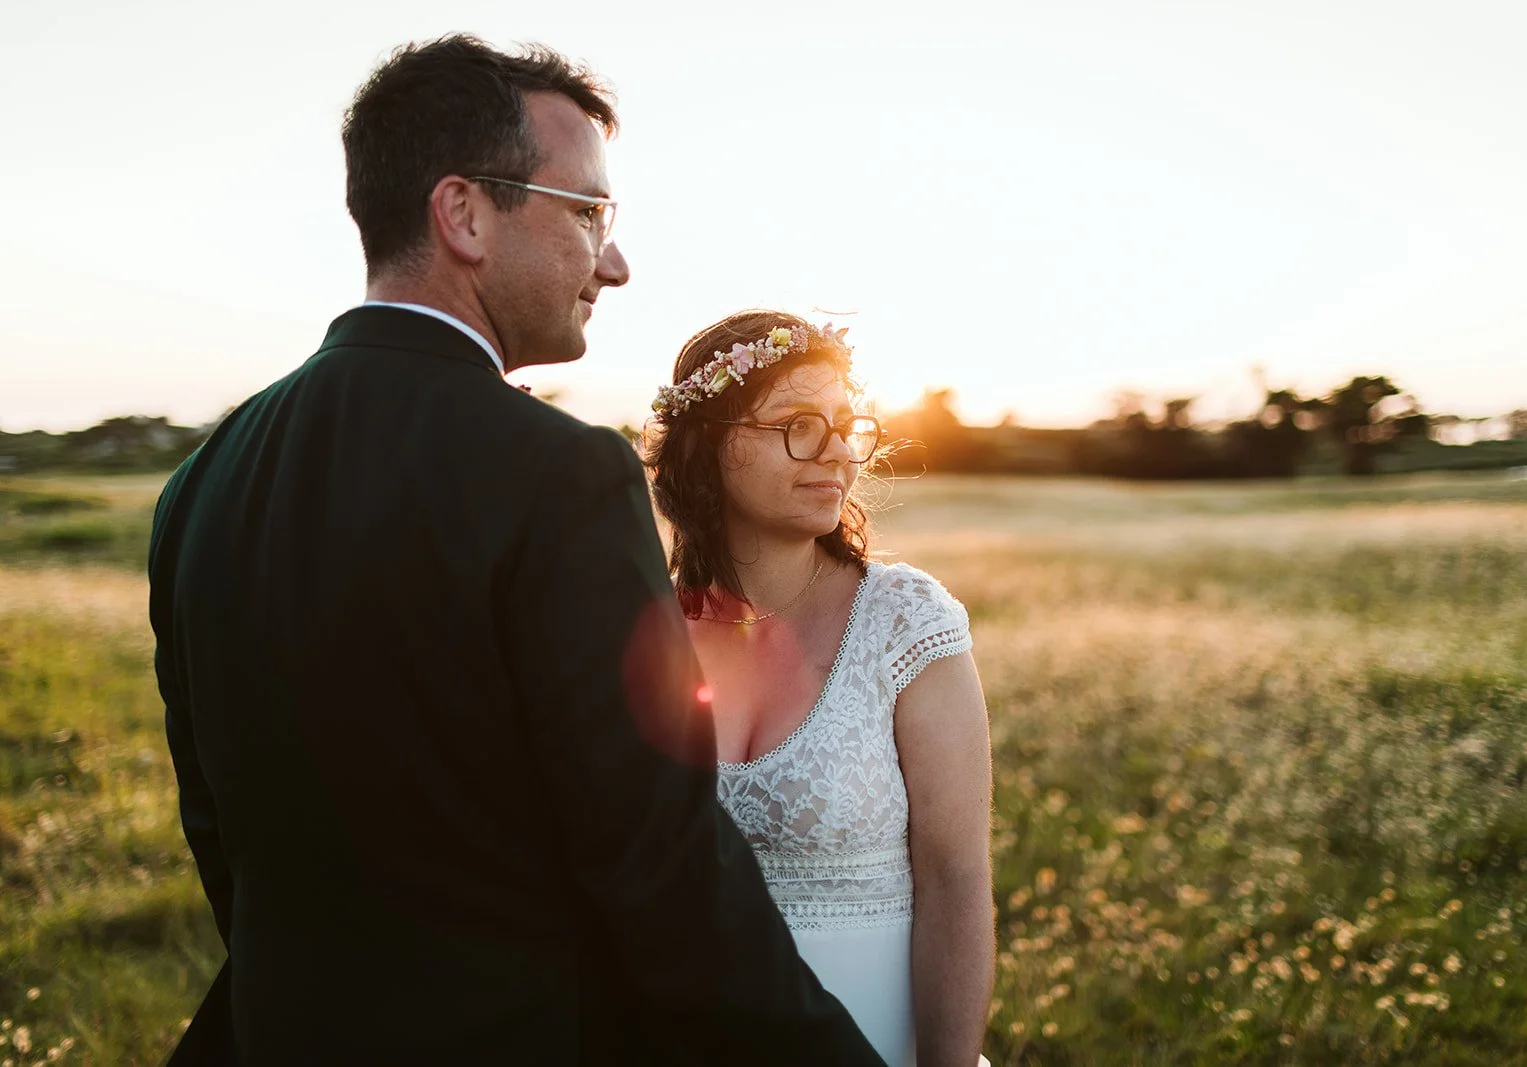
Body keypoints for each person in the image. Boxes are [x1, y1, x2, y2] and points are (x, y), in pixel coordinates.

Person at [148, 37, 885, 1065]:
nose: (615, 262)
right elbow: (657, 860)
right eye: (587, 213)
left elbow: (217, 826)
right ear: (464, 214)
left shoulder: (209, 472)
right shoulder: (557, 473)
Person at [642, 310, 997, 1066]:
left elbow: (956, 878)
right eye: (800, 424)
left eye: (847, 424)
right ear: (709, 443)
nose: (838, 452)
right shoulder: (642, 633)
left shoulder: (904, 622)